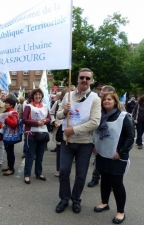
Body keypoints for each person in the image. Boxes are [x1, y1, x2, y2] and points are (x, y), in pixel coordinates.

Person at [55, 68, 101, 214]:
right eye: (82, 77)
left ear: (91, 81)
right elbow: (58, 115)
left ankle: (76, 199)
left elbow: (95, 122)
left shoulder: (95, 98)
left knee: (81, 174)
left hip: (85, 143)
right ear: (77, 79)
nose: (84, 80)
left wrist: (74, 130)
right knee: (63, 171)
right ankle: (64, 198)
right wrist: (65, 112)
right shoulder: (68, 96)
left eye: (88, 78)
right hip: (67, 142)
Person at [92, 92, 134, 224]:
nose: (106, 101)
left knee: (116, 183)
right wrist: (94, 145)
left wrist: (121, 152)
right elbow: (95, 133)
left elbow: (130, 136)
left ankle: (121, 211)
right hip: (102, 154)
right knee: (104, 180)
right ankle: (104, 203)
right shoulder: (99, 117)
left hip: (117, 156)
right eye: (104, 99)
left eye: (109, 99)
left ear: (115, 102)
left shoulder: (124, 116)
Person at [22, 88, 51, 184]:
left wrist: (45, 121)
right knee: (30, 155)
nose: (38, 96)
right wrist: (37, 122)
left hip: (42, 133)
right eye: (36, 94)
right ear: (32, 96)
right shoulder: (28, 106)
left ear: (42, 96)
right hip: (31, 133)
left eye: (39, 94)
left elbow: (49, 118)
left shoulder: (45, 106)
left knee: (40, 155)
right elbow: (24, 120)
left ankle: (39, 173)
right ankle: (27, 175)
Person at [50, 89, 68, 177]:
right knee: (60, 151)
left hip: (71, 131)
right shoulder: (57, 103)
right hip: (59, 131)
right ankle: (60, 169)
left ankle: (66, 169)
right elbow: (51, 113)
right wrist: (54, 122)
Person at [0, 98, 18, 176]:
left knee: (10, 152)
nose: (5, 104)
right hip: (5, 134)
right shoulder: (6, 111)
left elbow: (14, 124)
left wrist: (7, 118)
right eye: (5, 103)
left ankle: (11, 168)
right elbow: (1, 122)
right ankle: (9, 165)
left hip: (10, 135)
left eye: (7, 103)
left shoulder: (13, 113)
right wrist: (1, 125)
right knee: (8, 151)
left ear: (11, 105)